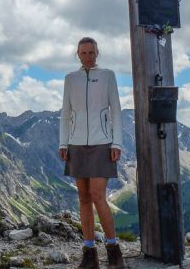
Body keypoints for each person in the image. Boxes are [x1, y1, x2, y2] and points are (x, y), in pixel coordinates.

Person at [59, 37, 125, 269]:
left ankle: (114, 250)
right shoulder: (70, 79)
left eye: (91, 52)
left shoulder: (107, 76)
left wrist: (117, 143)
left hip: (102, 143)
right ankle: (89, 253)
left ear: (97, 53)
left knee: (98, 196)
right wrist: (63, 143)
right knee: (84, 198)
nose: (88, 56)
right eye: (84, 53)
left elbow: (116, 111)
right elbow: (65, 113)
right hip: (76, 144)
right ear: (77, 54)